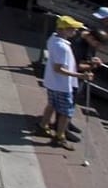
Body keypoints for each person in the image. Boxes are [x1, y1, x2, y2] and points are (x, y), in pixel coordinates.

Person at [38, 16, 93, 150]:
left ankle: (43, 126)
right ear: (63, 29)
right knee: (66, 112)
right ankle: (59, 137)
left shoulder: (53, 39)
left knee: (51, 105)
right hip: (62, 85)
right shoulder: (62, 47)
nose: (75, 30)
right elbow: (59, 69)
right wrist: (81, 75)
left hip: (52, 82)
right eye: (72, 28)